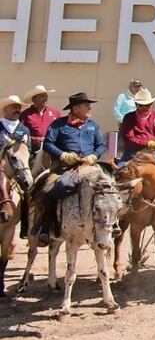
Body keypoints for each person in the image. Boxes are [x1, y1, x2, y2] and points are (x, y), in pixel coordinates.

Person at [31, 92, 107, 245]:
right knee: (53, 190)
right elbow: (48, 144)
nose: (89, 108)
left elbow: (101, 145)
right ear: (76, 108)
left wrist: (94, 155)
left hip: (89, 166)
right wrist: (63, 154)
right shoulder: (59, 124)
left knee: (110, 188)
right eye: (86, 105)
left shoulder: (93, 125)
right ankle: (46, 228)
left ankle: (110, 226)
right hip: (64, 167)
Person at [19, 84, 60, 156]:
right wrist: (33, 139)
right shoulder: (25, 114)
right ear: (34, 99)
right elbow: (19, 133)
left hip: (53, 150)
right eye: (42, 96)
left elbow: (61, 130)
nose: (45, 98)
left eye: (46, 96)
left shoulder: (55, 113)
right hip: (33, 151)